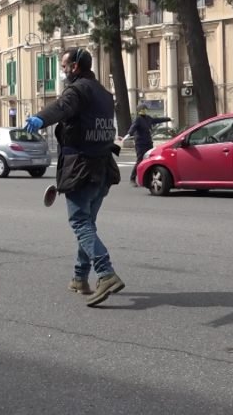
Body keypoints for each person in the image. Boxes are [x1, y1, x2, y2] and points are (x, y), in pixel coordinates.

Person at [25, 47, 124, 307]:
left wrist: (40, 119)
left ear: (76, 67)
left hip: (81, 167)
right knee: (87, 223)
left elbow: (62, 107)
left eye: (64, 65)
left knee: (80, 222)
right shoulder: (104, 93)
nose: (63, 70)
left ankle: (105, 273)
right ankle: (80, 278)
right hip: (103, 168)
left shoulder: (77, 90)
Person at [121, 104, 171, 187]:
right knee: (140, 160)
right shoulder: (138, 119)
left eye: (145, 109)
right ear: (139, 111)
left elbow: (157, 120)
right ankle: (132, 179)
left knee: (150, 160)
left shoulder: (148, 118)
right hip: (140, 144)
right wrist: (128, 135)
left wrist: (168, 119)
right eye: (142, 109)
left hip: (148, 142)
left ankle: (148, 178)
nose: (144, 110)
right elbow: (133, 128)